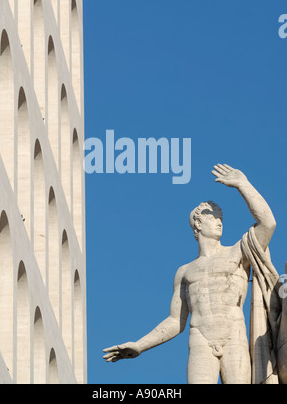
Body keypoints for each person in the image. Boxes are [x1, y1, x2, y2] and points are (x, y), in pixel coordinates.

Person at [103, 164, 277, 384]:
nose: (219, 220)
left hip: (233, 336)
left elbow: (268, 224)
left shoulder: (237, 253)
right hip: (200, 340)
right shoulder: (185, 272)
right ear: (197, 223)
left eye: (220, 216)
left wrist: (243, 184)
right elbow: (176, 321)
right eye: (212, 216)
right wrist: (140, 345)